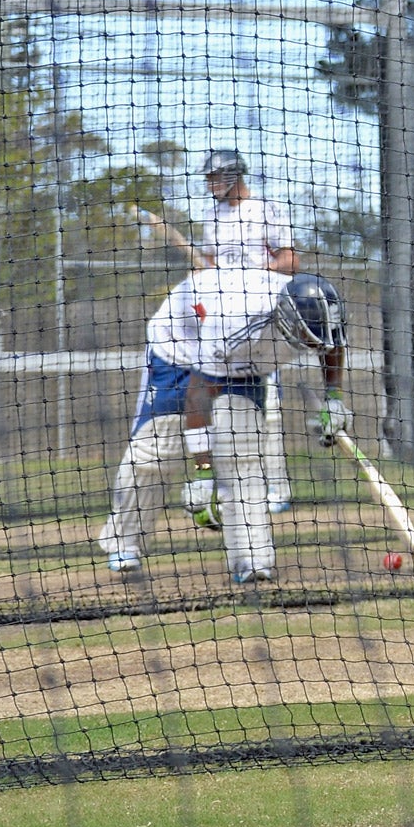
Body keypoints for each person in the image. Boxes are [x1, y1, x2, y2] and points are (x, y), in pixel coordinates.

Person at [137, 149, 299, 510]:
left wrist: (255, 279)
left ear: (233, 177)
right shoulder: (212, 215)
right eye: (208, 179)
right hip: (223, 320)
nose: (210, 185)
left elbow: (290, 260)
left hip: (260, 318)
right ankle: (230, 491)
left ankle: (278, 490)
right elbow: (211, 262)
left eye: (215, 178)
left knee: (269, 414)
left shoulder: (266, 209)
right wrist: (206, 276)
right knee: (218, 409)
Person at [180, 269, 350, 584]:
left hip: (251, 362)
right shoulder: (233, 324)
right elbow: (198, 395)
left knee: (246, 459)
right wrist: (203, 472)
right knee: (157, 450)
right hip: (184, 345)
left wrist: (334, 398)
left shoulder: (321, 311)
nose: (314, 347)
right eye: (307, 339)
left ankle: (255, 561)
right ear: (287, 323)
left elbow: (332, 346)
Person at [96, 280, 200, 573]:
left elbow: (289, 262)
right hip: (179, 351)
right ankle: (124, 543)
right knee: (153, 455)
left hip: (243, 355)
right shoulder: (196, 286)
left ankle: (251, 554)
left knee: (244, 445)